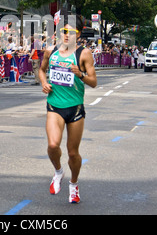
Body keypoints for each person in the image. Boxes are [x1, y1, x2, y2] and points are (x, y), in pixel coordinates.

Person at [39, 15, 97, 204]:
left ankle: (73, 184)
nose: (65, 35)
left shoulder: (84, 54)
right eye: (63, 31)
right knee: (53, 145)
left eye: (70, 32)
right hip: (55, 105)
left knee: (73, 153)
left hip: (75, 108)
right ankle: (58, 172)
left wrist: (80, 74)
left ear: (78, 34)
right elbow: (41, 70)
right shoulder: (51, 50)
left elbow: (94, 82)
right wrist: (44, 82)